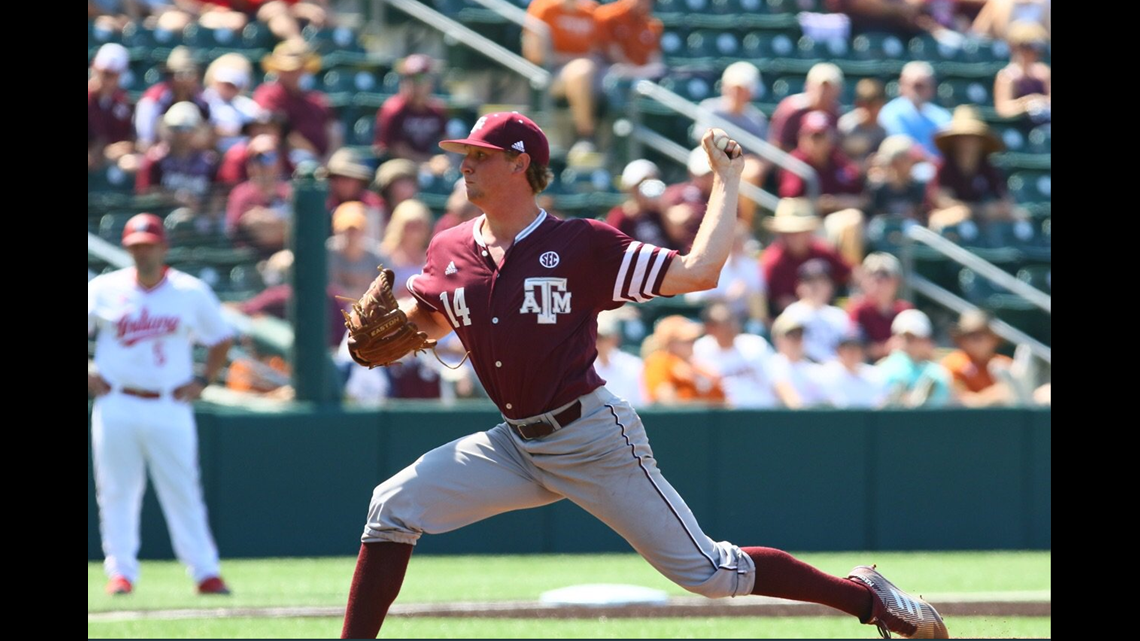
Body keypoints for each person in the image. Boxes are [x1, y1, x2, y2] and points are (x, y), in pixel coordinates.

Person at [337, 113, 947, 639]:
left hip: (592, 438)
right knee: (393, 505)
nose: (464, 165)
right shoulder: (450, 249)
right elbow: (427, 320)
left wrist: (727, 181)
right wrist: (396, 334)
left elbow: (700, 270)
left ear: (520, 164)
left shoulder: (580, 246)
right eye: (463, 156)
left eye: (479, 156)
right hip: (515, 442)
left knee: (710, 573)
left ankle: (871, 599)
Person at [87, 213, 233, 596]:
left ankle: (205, 571)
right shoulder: (104, 288)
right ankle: (121, 573)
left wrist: (203, 379)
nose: (142, 252)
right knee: (116, 491)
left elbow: (221, 336)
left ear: (162, 246)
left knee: (182, 488)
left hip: (169, 403)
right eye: (135, 246)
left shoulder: (189, 291)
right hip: (116, 400)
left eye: (148, 244)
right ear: (127, 248)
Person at [778, 111, 868, 265]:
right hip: (807, 224)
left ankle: (851, 278)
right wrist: (821, 203)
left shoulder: (837, 160)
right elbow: (791, 200)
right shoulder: (797, 161)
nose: (817, 141)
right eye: (813, 136)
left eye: (821, 135)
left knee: (853, 220)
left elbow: (861, 197)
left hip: (833, 219)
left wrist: (837, 202)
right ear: (802, 137)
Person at [696, 62, 770, 225]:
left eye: (742, 88)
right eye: (734, 87)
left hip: (741, 167)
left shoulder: (756, 119)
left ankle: (743, 228)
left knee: (751, 172)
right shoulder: (710, 109)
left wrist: (738, 163)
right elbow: (702, 142)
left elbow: (764, 156)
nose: (737, 93)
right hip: (709, 160)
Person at [926, 105, 1018, 230]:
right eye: (963, 138)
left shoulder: (988, 167)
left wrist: (978, 211)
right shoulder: (943, 166)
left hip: (983, 215)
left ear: (981, 141)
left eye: (972, 138)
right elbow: (942, 200)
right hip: (952, 214)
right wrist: (971, 210)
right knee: (943, 219)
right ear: (955, 140)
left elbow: (1004, 200)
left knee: (1018, 216)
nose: (967, 143)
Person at [523, 0, 603, 142]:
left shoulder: (591, 10)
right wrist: (579, 59)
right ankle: (586, 136)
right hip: (551, 74)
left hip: (594, 71)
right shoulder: (544, 7)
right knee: (581, 70)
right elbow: (535, 54)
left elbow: (599, 49)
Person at [760, 198, 852, 318]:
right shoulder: (772, 261)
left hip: (827, 316)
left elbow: (850, 275)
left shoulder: (823, 251)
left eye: (798, 231)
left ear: (808, 232)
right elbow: (770, 301)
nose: (793, 237)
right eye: (787, 232)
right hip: (789, 323)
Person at [254, 40, 339, 159]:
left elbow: (333, 130)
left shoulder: (316, 99)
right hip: (288, 160)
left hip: (323, 160)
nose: (291, 73)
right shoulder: (269, 94)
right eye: (286, 70)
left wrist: (329, 158)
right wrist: (314, 156)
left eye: (296, 69)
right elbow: (274, 130)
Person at [136, 102, 221, 214]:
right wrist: (172, 198)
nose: (182, 134)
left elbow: (217, 194)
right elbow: (142, 196)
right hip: (162, 219)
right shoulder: (155, 160)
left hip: (199, 223)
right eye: (176, 128)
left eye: (187, 128)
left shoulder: (209, 162)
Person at [692, 302, 778, 408]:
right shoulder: (700, 349)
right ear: (710, 328)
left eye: (732, 320)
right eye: (724, 323)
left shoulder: (755, 344)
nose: (731, 327)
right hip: (723, 417)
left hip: (762, 412)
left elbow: (777, 380)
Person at [373, 54, 449, 164]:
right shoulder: (393, 109)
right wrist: (429, 162)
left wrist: (445, 160)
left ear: (430, 82)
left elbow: (445, 140)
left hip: (427, 165)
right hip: (394, 164)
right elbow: (396, 149)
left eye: (421, 78)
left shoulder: (436, 110)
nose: (415, 84)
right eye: (410, 78)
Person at [225, 133, 292, 256]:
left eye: (268, 157)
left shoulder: (289, 192)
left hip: (288, 256)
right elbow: (258, 232)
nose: (261, 164)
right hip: (252, 262)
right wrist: (287, 222)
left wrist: (265, 218)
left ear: (279, 162)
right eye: (255, 158)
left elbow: (306, 228)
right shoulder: (241, 194)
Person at [134, 46, 211, 151]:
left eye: (191, 73)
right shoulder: (153, 100)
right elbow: (145, 142)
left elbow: (208, 137)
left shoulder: (202, 99)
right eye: (181, 73)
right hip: (160, 155)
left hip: (194, 157)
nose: (187, 78)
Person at [782, 259, 854, 364]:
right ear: (799, 286)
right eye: (810, 281)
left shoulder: (839, 315)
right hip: (804, 368)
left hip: (836, 372)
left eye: (822, 281)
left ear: (831, 286)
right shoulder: (792, 313)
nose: (816, 286)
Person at [643, 315, 726, 405]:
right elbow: (666, 401)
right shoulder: (659, 362)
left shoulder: (698, 366)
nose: (692, 344)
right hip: (680, 418)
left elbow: (722, 401)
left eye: (694, 340)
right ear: (671, 343)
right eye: (687, 341)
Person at [877, 309, 953, 407]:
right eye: (905, 337)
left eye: (913, 337)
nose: (908, 342)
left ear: (925, 339)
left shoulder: (938, 373)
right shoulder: (882, 369)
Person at [846, 252, 913, 362]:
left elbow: (923, 347)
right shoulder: (858, 310)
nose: (878, 282)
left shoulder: (906, 310)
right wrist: (885, 348)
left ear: (897, 281)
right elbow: (852, 348)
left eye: (885, 276)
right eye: (873, 275)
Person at [940, 309, 1015, 407]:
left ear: (994, 339)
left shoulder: (1005, 363)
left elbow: (1017, 395)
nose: (976, 339)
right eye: (969, 335)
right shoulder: (952, 363)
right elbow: (962, 400)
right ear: (961, 339)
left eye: (982, 333)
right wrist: (997, 393)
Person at [877, 62, 952, 158]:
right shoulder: (889, 113)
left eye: (925, 85)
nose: (920, 90)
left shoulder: (942, 116)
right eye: (916, 85)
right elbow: (902, 149)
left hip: (936, 169)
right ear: (902, 85)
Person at [768, 63, 844, 152]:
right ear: (808, 86)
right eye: (820, 86)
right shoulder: (791, 110)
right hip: (790, 163)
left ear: (838, 90)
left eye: (829, 88)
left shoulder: (836, 113)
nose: (823, 91)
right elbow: (778, 146)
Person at [767, 310, 830, 408]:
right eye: (790, 335)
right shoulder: (774, 364)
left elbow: (828, 399)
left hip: (811, 418)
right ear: (777, 339)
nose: (796, 340)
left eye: (799, 335)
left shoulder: (813, 368)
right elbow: (788, 397)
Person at [993, 21, 1051, 125]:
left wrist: (1040, 100)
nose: (1030, 52)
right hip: (1020, 126)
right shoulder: (1007, 76)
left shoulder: (1044, 72)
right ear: (1015, 47)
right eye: (1026, 47)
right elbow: (1002, 109)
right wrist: (1025, 104)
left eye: (1034, 47)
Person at [88, 43, 136, 170]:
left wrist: (126, 147)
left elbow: (126, 138)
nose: (104, 79)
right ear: (93, 67)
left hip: (113, 161)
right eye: (103, 72)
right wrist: (103, 153)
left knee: (131, 163)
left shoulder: (121, 102)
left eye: (111, 75)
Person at [202, 53, 261, 154]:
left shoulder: (248, 107)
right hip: (211, 155)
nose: (228, 87)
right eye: (225, 83)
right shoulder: (204, 101)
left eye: (233, 85)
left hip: (242, 156)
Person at [604, 159, 671, 248]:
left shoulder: (661, 213)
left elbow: (678, 239)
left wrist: (665, 212)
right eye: (639, 185)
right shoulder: (620, 216)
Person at [326, 148, 387, 243]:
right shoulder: (325, 204)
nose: (341, 183)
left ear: (360, 182)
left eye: (347, 179)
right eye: (336, 178)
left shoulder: (373, 206)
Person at [327, 201, 388, 295]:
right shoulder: (328, 254)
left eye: (356, 229)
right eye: (346, 229)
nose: (351, 235)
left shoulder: (378, 256)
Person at [866, 135, 928, 224]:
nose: (913, 163)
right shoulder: (877, 189)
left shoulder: (917, 188)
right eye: (908, 159)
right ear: (895, 163)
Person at [378, 199, 433, 300]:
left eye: (419, 225)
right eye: (410, 226)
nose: (415, 231)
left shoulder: (431, 257)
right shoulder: (384, 255)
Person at [593, 309, 648, 407]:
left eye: (601, 337)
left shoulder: (633, 365)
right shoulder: (579, 366)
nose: (597, 342)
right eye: (593, 337)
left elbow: (641, 404)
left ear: (614, 338)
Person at [820, 333, 888, 408]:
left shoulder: (874, 374)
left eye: (856, 349)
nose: (852, 354)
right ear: (839, 351)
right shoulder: (827, 372)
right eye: (848, 349)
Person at [838, 78, 888, 169]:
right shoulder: (846, 126)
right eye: (865, 104)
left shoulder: (883, 129)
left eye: (874, 105)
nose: (870, 110)